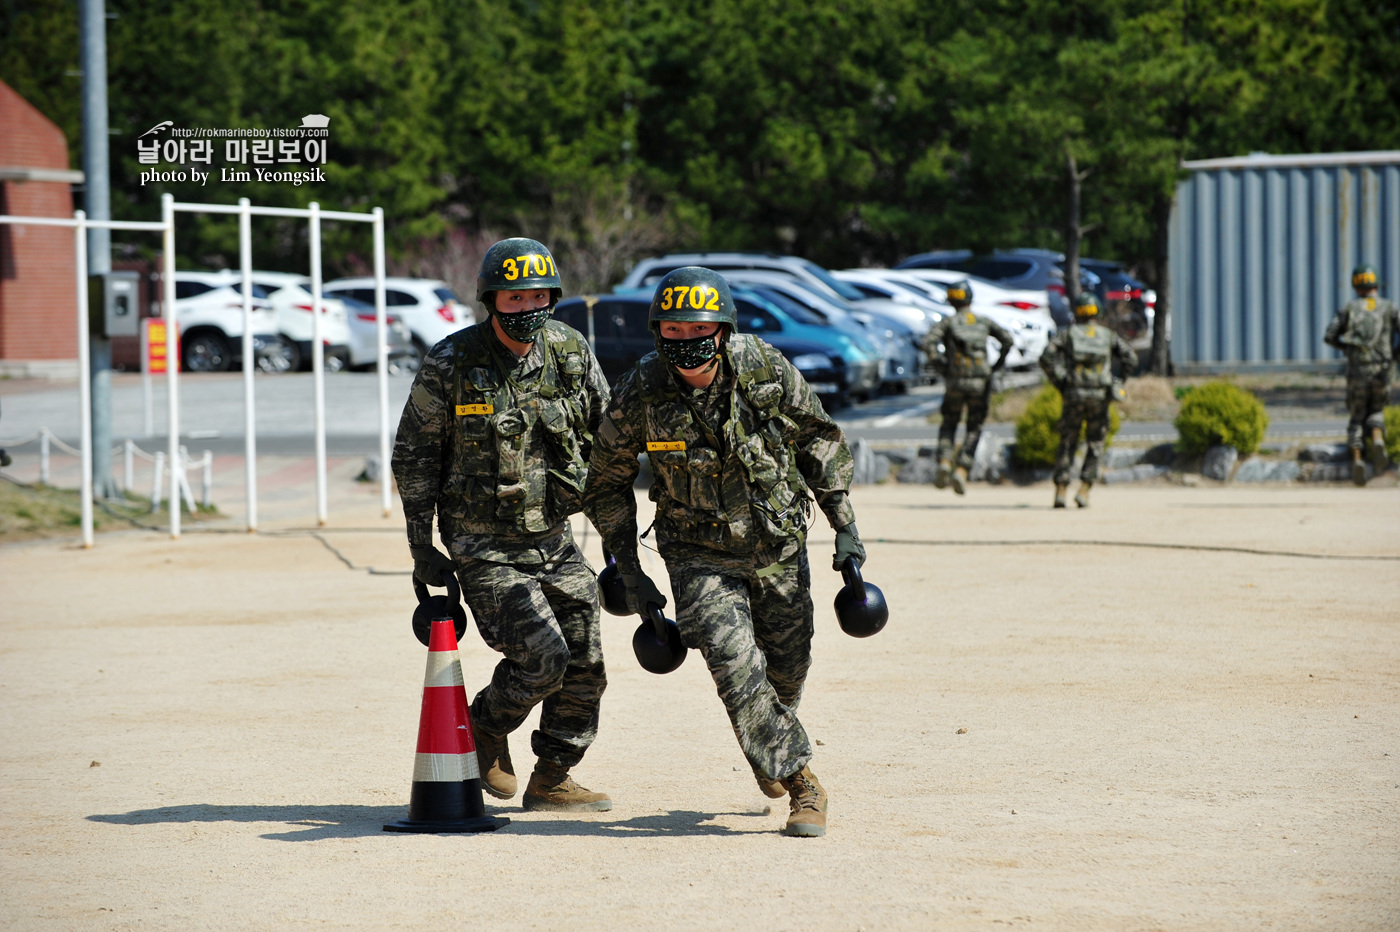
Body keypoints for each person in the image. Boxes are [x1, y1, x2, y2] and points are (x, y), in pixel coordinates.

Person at [582, 266, 864, 838]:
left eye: (698, 330)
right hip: (697, 554)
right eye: (673, 331)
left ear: (723, 329)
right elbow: (604, 480)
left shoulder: (763, 365)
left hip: (776, 543)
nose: (685, 343)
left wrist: (844, 525)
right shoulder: (641, 389)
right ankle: (803, 783)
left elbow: (818, 437)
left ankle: (770, 741)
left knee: (786, 668)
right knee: (735, 666)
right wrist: (627, 567)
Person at [392, 236, 614, 812]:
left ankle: (554, 777)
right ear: (491, 300)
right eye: (514, 297)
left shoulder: (569, 352)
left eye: (539, 295)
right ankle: (485, 726)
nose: (527, 308)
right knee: (545, 655)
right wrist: (422, 547)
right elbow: (414, 455)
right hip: (482, 544)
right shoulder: (452, 361)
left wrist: (622, 543)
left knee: (587, 657)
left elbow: (609, 441)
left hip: (554, 537)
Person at [1038, 291, 1137, 508]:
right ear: (1097, 312)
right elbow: (1130, 357)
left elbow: (1046, 357)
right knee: (1095, 443)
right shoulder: (1107, 335)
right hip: (1099, 396)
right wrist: (1118, 381)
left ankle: (1061, 490)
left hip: (1074, 395)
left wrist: (1061, 381)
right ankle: (1084, 489)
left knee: (1067, 441)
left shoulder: (1068, 334)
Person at [920, 280, 1013, 493]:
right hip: (981, 382)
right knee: (974, 426)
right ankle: (962, 469)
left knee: (949, 422)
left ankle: (944, 460)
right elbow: (1007, 340)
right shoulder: (983, 321)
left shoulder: (948, 323)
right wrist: (995, 366)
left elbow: (928, 343)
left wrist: (943, 367)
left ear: (952, 299)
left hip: (955, 381)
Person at [1323, 263, 1398, 485]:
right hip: (1382, 370)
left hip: (1357, 370)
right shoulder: (1389, 307)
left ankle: (1357, 459)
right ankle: (1377, 437)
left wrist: (1348, 349)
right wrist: (1394, 355)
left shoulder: (1349, 308)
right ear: (1376, 284)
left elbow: (1330, 335)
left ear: (1356, 286)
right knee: (1376, 409)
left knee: (1356, 416)